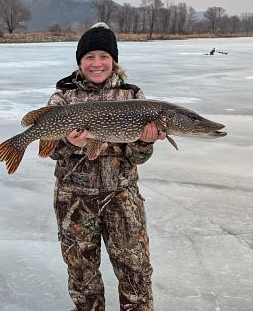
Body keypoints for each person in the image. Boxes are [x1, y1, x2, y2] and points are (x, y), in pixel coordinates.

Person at [47, 22, 166, 310]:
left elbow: (137, 158)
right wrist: (69, 144)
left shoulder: (133, 97)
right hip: (74, 202)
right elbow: (51, 150)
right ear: (80, 61)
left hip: (123, 200)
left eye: (103, 56)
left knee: (136, 277)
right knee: (83, 281)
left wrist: (145, 142)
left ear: (113, 60)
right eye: (89, 57)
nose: (97, 64)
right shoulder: (63, 98)